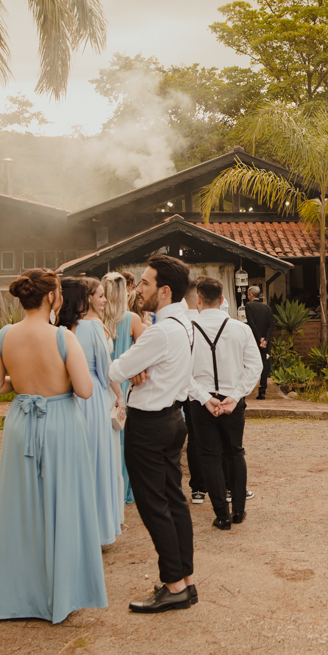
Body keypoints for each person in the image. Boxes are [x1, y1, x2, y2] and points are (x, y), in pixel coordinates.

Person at [0, 268, 106, 623]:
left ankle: (20, 596)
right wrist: (56, 378)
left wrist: (22, 381)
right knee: (64, 502)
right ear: (52, 297)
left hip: (21, 423)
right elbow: (84, 390)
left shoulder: (4, 335)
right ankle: (64, 592)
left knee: (22, 508)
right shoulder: (63, 338)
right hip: (60, 424)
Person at [109, 254, 197, 613]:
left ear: (163, 290)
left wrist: (132, 364)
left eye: (144, 283)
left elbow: (116, 368)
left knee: (152, 504)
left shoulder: (161, 330)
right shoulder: (185, 323)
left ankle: (173, 584)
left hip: (148, 425)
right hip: (174, 419)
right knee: (174, 500)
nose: (138, 288)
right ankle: (186, 580)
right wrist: (138, 365)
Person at [188, 276, 262, 529]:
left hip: (200, 403)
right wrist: (236, 395)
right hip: (233, 400)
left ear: (198, 300)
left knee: (209, 456)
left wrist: (205, 398)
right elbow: (255, 367)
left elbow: (181, 371)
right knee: (234, 452)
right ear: (221, 300)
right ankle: (239, 511)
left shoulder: (187, 328)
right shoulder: (241, 328)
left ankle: (222, 515)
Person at [58, 276, 124, 545]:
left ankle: (72, 529)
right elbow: (104, 370)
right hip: (93, 397)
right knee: (98, 462)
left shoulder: (57, 329)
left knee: (72, 464)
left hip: (64, 397)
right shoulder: (91, 328)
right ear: (83, 300)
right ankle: (98, 531)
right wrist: (120, 397)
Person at [102, 272, 145, 505]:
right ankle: (125, 490)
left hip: (102, 384)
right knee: (124, 439)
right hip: (125, 384)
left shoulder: (95, 320)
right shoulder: (132, 320)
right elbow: (145, 351)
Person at [181, 284, 208, 505]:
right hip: (213, 388)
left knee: (194, 437)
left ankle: (198, 488)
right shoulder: (213, 323)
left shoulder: (181, 325)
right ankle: (226, 485)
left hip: (190, 391)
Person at [244, 285, 274, 401]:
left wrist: (259, 338)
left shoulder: (249, 305)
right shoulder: (267, 307)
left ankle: (247, 389)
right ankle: (262, 391)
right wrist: (266, 339)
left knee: (249, 363)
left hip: (253, 340)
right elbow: (271, 325)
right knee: (265, 364)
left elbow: (251, 323)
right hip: (266, 342)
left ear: (251, 295)